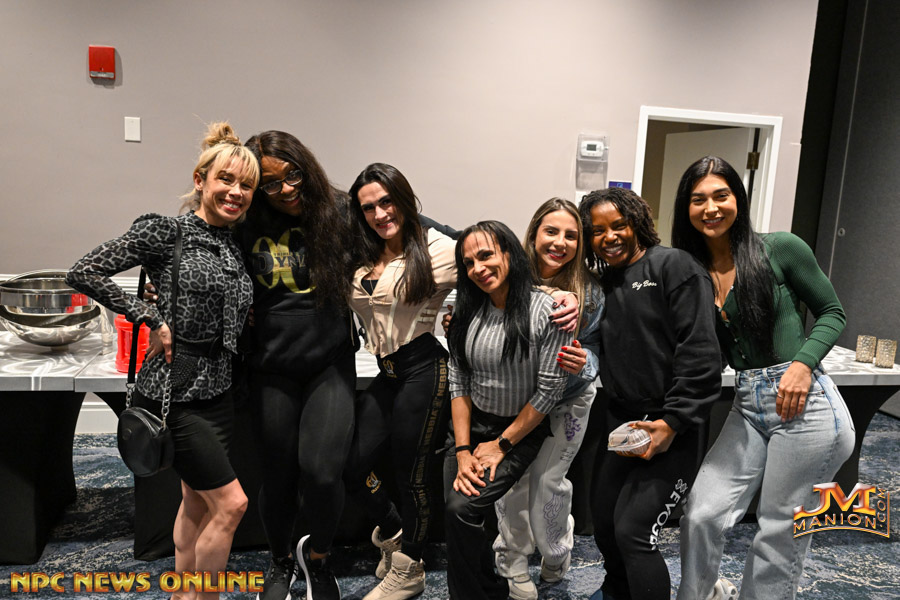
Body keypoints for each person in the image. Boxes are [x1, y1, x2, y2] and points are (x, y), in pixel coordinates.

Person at [67, 122, 258, 600]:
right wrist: (150, 316)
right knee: (231, 505)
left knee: (196, 501)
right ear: (200, 180)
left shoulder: (235, 241)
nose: (236, 192)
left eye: (246, 185)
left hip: (219, 392)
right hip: (175, 391)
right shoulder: (165, 231)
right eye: (226, 179)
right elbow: (84, 270)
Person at [671, 156, 854, 600]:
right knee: (702, 513)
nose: (711, 208)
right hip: (748, 404)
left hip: (807, 406)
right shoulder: (690, 270)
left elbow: (832, 312)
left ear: (739, 198)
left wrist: (802, 364)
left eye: (721, 195)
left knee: (779, 529)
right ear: (685, 208)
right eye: (698, 199)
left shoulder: (780, 248)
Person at [233, 131, 358, 600]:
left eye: (293, 175)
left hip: (329, 362)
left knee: (323, 473)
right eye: (271, 183)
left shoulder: (340, 210)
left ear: (306, 168)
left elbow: (410, 227)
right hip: (270, 366)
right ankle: (281, 560)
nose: (286, 189)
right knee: (279, 474)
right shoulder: (245, 220)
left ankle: (318, 561)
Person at [578, 187, 721, 600]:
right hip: (621, 419)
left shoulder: (674, 266)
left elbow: (701, 354)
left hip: (672, 423)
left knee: (634, 531)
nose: (609, 237)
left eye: (618, 225)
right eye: (598, 231)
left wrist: (671, 423)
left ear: (637, 222)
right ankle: (617, 591)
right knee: (605, 523)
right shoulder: (604, 282)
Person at [342, 163, 457, 600]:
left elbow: (500, 268)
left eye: (387, 202)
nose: (380, 214)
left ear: (404, 200)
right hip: (387, 374)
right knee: (350, 464)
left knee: (414, 476)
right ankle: (392, 531)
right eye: (369, 207)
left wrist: (557, 295)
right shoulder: (361, 250)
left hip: (425, 369)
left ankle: (411, 568)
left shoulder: (437, 248)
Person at [443, 220, 569, 600]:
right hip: (470, 427)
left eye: (486, 256)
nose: (477, 268)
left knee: (462, 508)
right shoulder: (466, 309)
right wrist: (463, 450)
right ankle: (489, 588)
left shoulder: (547, 310)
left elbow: (549, 391)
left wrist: (501, 444)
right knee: (461, 515)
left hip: (518, 430)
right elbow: (459, 381)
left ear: (509, 254)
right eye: (469, 263)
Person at [491, 198, 603, 600]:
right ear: (534, 232)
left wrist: (584, 361)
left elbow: (596, 350)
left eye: (571, 235)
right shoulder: (507, 276)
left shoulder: (590, 290)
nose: (560, 242)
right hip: (516, 401)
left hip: (569, 400)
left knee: (547, 482)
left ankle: (556, 549)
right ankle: (513, 561)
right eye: (551, 231)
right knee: (513, 485)